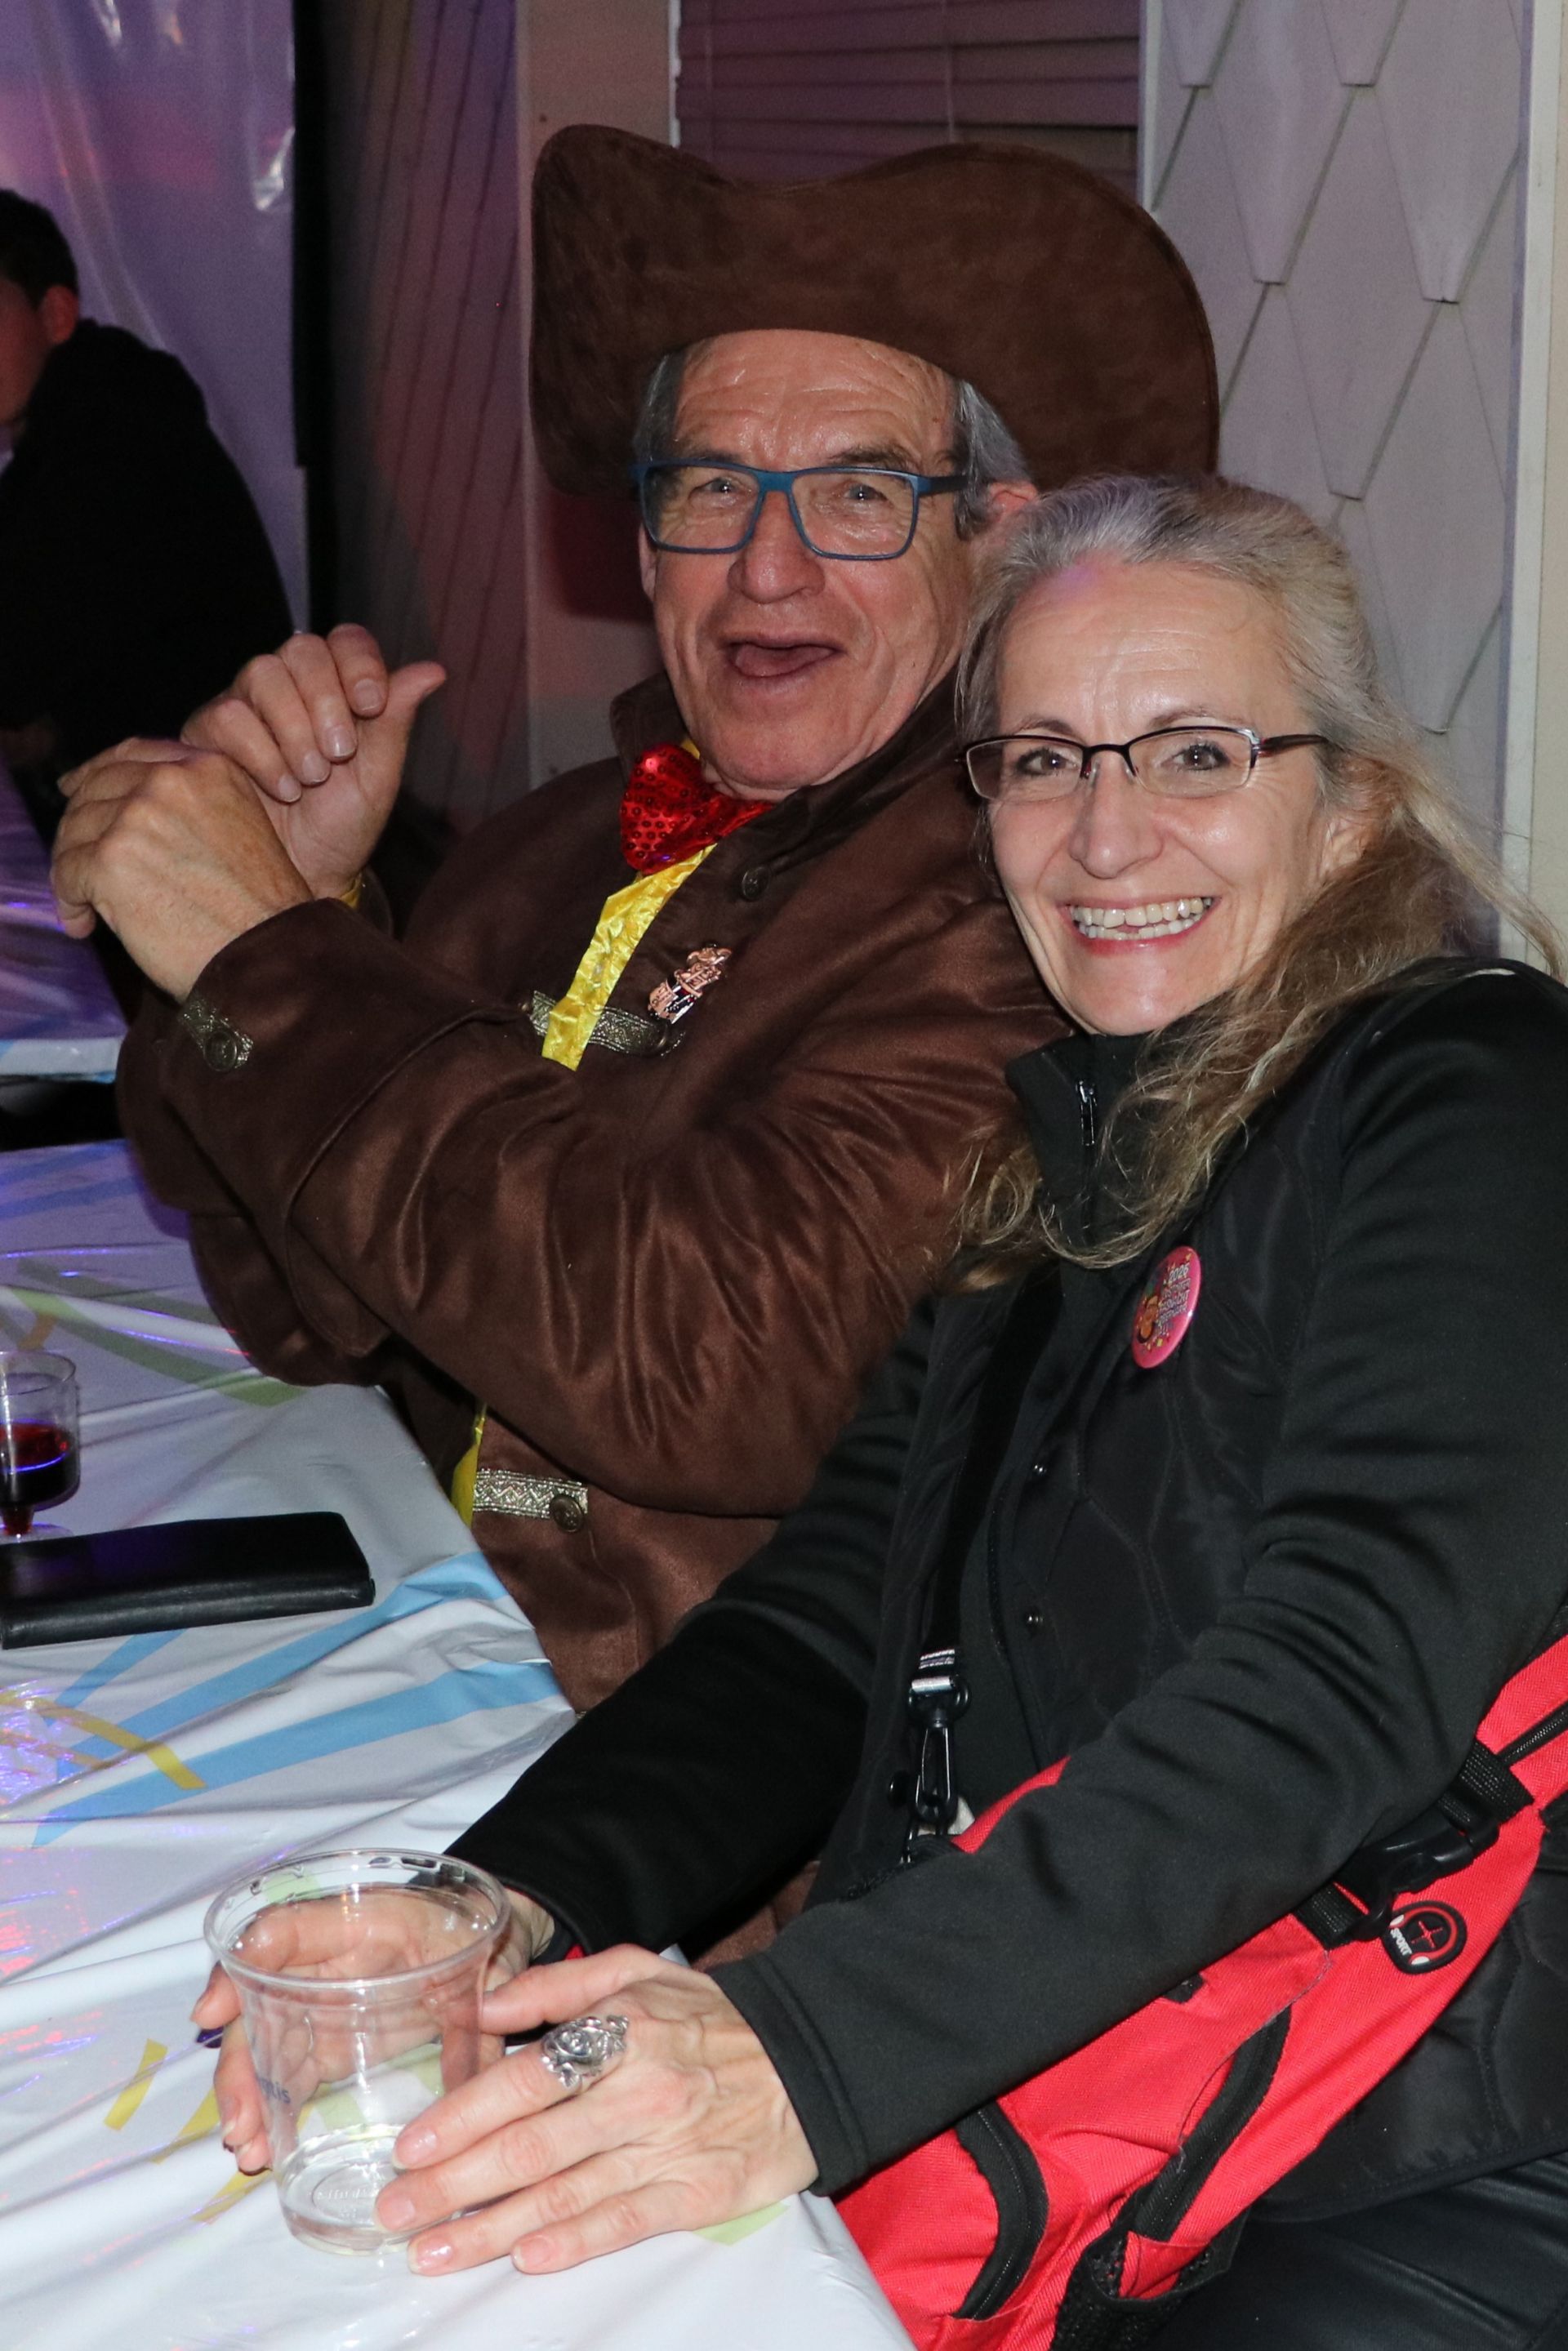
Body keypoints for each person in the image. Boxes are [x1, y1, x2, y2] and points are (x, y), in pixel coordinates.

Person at [201, 474, 1568, 2343]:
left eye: (1195, 752)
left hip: (1414, 2142)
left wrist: (802, 2051)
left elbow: (1340, 1672)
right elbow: (831, 1619)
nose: (1106, 832)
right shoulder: (1063, 1166)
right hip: (1085, 2095)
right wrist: (498, 1900)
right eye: (1041, 759)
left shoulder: (1473, 1090)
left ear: (1349, 810)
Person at [51, 128, 1217, 1715]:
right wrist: (306, 903)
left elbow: (697, 1369)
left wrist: (269, 951)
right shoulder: (554, 843)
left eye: (859, 492)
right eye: (710, 486)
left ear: (998, 533)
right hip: (419, 1628)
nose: (765, 566)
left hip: (706, 1770)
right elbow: (298, 1302)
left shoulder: (1033, 895)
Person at [0, 191, 291, 799]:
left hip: (224, 811)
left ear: (55, 315)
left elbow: (19, 658)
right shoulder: (87, 420)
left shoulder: (110, 429)